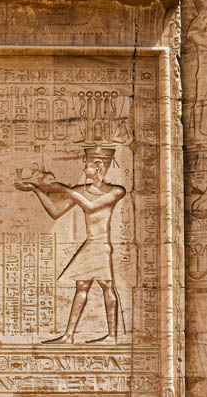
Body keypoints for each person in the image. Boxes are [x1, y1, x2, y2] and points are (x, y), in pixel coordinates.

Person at [15, 146, 125, 344]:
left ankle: (112, 336)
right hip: (90, 243)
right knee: (82, 286)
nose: (84, 168)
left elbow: (91, 206)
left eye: (87, 164)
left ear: (98, 166)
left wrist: (64, 189)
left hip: (101, 244)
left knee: (106, 286)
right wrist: (36, 190)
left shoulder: (116, 191)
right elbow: (55, 212)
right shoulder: (80, 191)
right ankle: (69, 336)